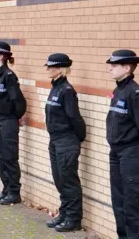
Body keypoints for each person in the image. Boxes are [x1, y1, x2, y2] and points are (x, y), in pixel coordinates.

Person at [106, 49, 139, 239]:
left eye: (114, 65)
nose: (110, 69)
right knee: (118, 202)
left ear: (127, 68)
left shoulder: (135, 93)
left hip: (131, 153)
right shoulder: (118, 90)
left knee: (133, 204)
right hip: (116, 153)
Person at [44, 53, 85, 232]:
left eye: (51, 67)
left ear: (60, 69)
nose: (48, 69)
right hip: (55, 140)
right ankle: (65, 213)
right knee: (59, 179)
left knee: (69, 181)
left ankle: (73, 219)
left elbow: (74, 118)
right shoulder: (55, 88)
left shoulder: (67, 91)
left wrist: (76, 138)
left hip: (66, 140)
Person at [0, 41, 27, 205]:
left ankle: (14, 192)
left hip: (8, 121)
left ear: (2, 56)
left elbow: (19, 100)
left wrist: (16, 117)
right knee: (1, 156)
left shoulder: (9, 76)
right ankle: (6, 188)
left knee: (10, 157)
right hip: (0, 120)